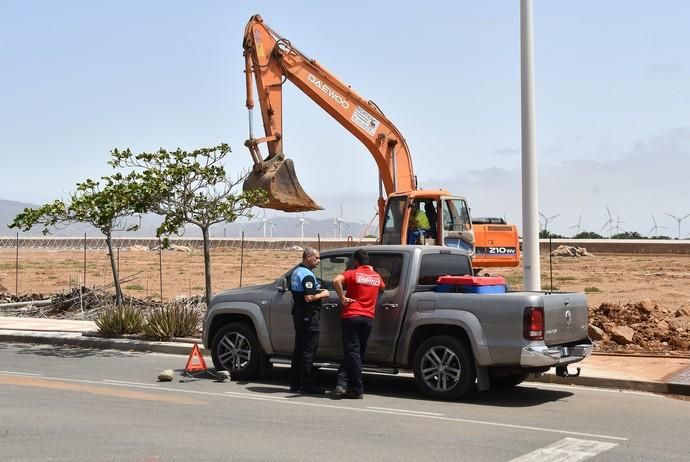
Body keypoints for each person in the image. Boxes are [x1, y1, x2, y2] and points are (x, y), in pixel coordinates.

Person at [332, 249, 385, 399]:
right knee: (355, 353)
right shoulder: (376, 276)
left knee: (352, 352)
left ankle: (356, 388)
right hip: (368, 318)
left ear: (356, 261)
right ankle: (342, 383)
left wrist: (342, 297)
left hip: (351, 316)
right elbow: (382, 287)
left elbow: (336, 280)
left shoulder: (353, 273)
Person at [289, 247, 330, 394]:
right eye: (316, 258)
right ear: (308, 257)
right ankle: (306, 384)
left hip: (299, 315)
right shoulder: (307, 275)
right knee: (308, 351)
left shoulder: (296, 272)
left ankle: (295, 383)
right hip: (309, 316)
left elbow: (298, 293)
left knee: (299, 350)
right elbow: (309, 297)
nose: (318, 261)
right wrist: (323, 293)